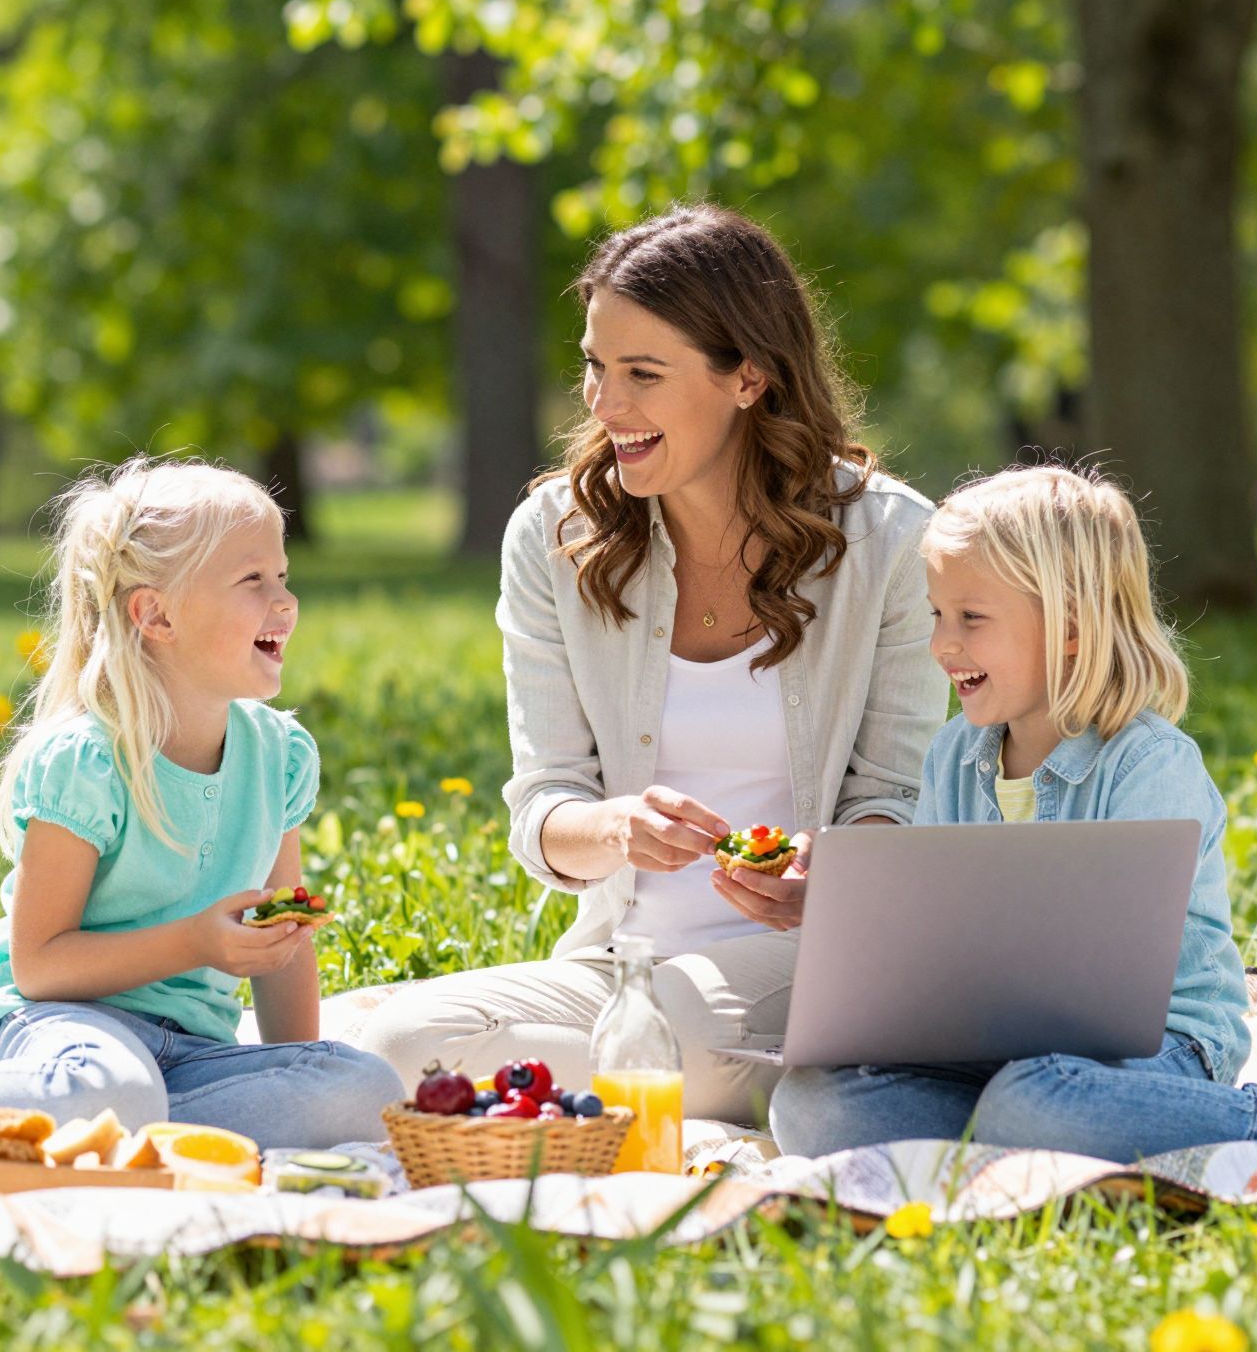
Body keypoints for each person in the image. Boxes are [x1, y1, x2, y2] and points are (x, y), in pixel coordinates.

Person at [352, 204, 948, 1123]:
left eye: (641, 373)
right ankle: (698, 1086)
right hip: (620, 960)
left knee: (664, 1033)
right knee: (398, 1049)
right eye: (595, 366)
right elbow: (543, 804)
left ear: (748, 377)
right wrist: (615, 828)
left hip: (820, 956)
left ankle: (620, 1090)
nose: (602, 403)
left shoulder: (889, 540)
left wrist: (827, 872)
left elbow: (897, 796)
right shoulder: (554, 537)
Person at [768, 464, 1257, 1161]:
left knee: (1036, 1098)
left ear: (1070, 625)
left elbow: (1110, 988)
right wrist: (850, 913)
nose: (943, 643)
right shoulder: (953, 756)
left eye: (971, 618)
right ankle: (1029, 1140)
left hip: (1159, 1046)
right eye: (937, 613)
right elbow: (938, 939)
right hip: (998, 1057)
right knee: (810, 1105)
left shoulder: (1147, 764)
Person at [0, 457, 404, 1146]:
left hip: (189, 1052)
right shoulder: (87, 762)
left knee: (368, 1091)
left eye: (283, 576)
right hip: (61, 1028)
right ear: (154, 614)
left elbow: (283, 944)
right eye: (253, 580)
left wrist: (294, 1066)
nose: (285, 602)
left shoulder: (280, 756)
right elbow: (39, 964)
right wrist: (197, 943)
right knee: (110, 1089)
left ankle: (111, 1134)